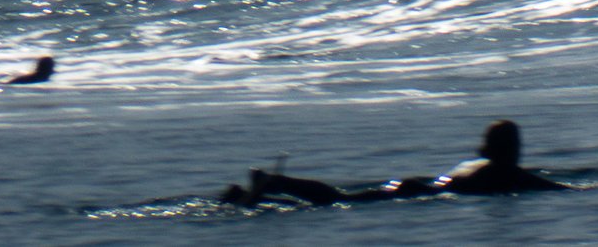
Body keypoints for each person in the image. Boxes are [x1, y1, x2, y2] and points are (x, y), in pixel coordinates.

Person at [219, 118, 568, 207]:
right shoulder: (505, 171)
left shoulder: (470, 164)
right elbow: (547, 187)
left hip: (412, 187)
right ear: (508, 147)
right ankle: (277, 185)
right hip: (417, 196)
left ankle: (267, 191)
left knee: (343, 198)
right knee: (340, 201)